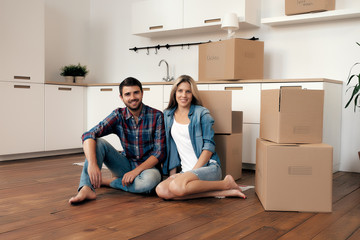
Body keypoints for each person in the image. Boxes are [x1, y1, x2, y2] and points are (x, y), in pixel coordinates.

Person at [69, 77, 166, 204]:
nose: (132, 97)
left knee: (149, 184)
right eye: (127, 94)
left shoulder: (157, 116)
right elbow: (89, 134)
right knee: (97, 142)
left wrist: (135, 172)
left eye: (136, 92)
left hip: (148, 168)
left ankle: (110, 182)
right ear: (121, 97)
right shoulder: (118, 115)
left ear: (142, 93)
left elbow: (159, 153)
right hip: (124, 164)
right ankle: (86, 188)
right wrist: (92, 164)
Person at [156, 75, 246, 200]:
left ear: (193, 94)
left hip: (207, 168)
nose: (184, 95)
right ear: (174, 93)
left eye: (188, 91)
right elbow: (170, 147)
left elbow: (209, 148)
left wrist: (191, 173)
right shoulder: (167, 115)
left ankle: (225, 183)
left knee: (176, 187)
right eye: (180, 91)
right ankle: (222, 192)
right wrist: (174, 175)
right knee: (162, 190)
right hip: (185, 172)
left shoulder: (201, 113)